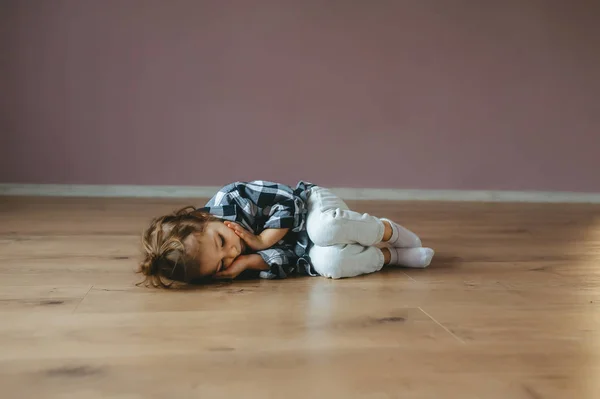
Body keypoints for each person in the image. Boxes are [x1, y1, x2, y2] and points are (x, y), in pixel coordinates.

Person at [138, 180, 434, 287]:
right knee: (329, 264)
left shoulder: (232, 198)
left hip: (313, 208)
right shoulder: (237, 264)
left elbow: (288, 199)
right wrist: (252, 263)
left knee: (323, 229)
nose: (232, 253)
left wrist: (262, 241)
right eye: (221, 264)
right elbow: (294, 260)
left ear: (203, 217)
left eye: (222, 241)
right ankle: (390, 256)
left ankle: (387, 230)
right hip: (308, 248)